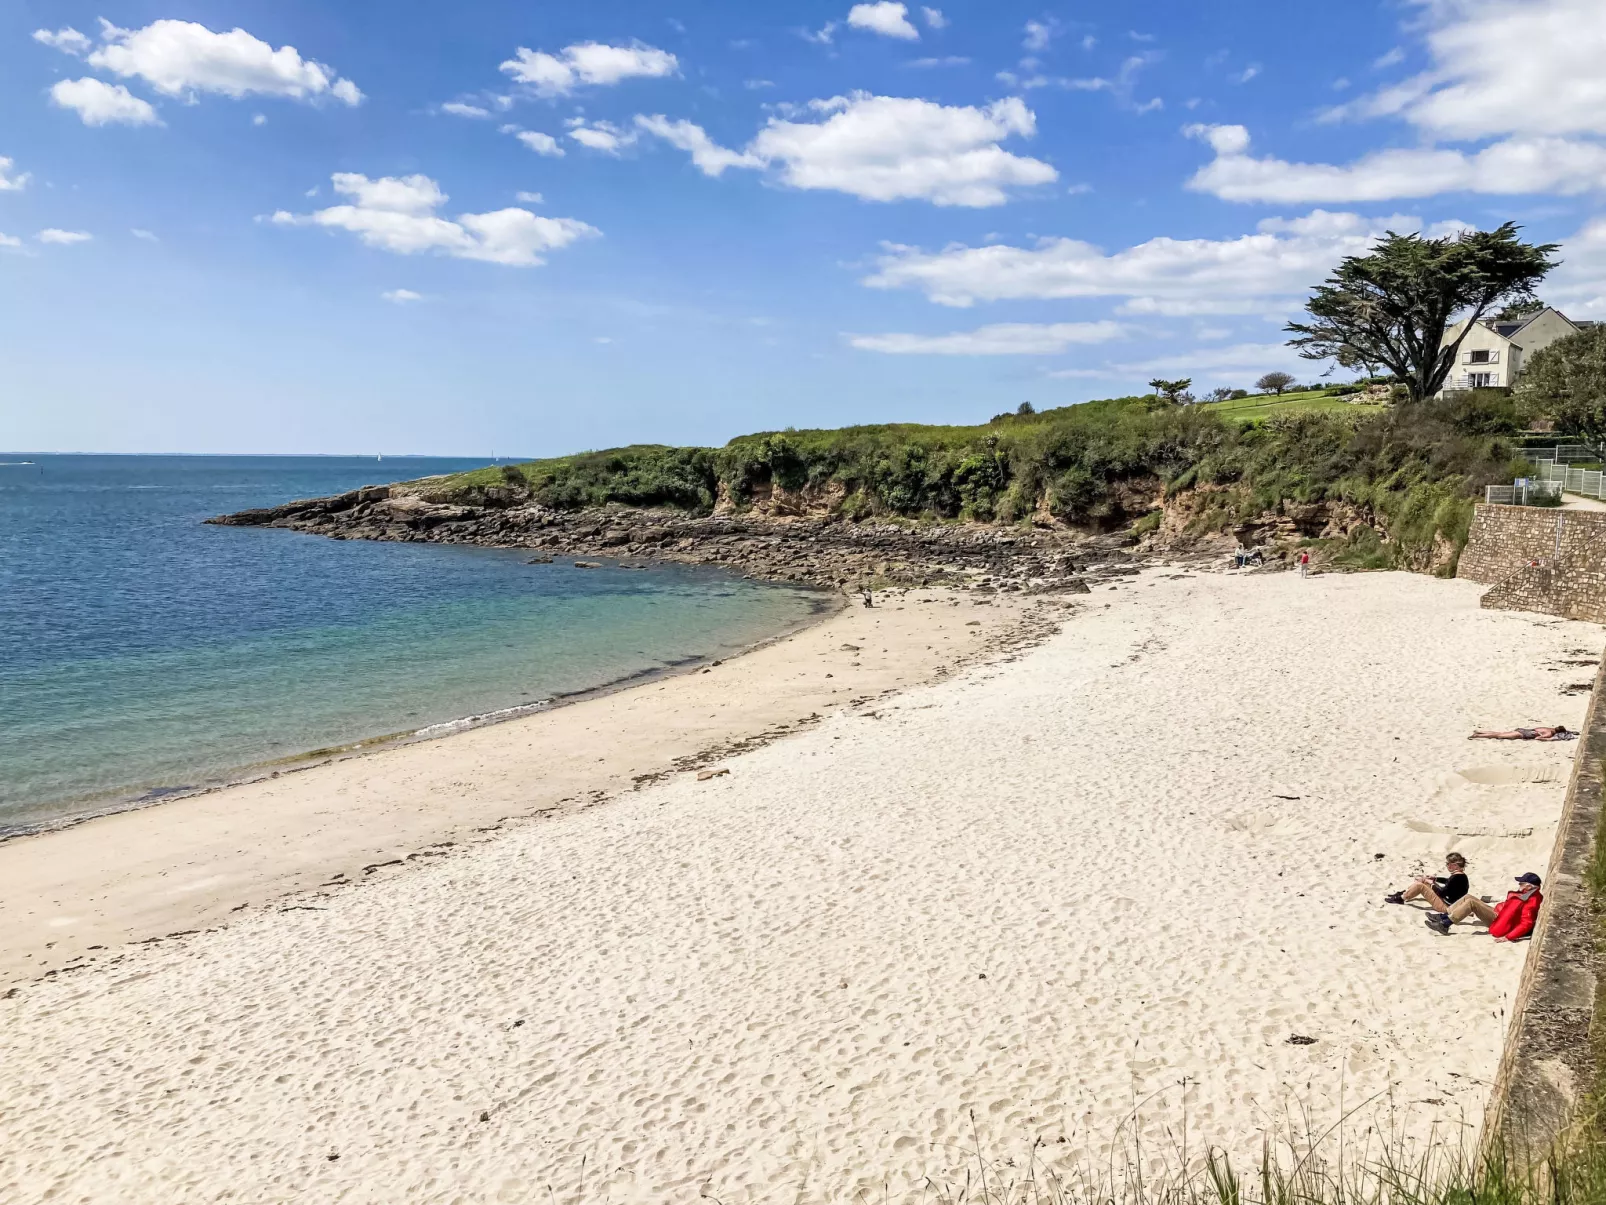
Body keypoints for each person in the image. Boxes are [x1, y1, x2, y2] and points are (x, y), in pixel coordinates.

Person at [1426, 873, 1543, 939]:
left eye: (1522, 883)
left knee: (1471, 904)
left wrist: (1508, 937)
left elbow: (1526, 923)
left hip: (1500, 920)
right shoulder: (1527, 894)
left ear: (1530, 886)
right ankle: (1444, 916)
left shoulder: (1531, 901)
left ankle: (1445, 924)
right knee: (1468, 897)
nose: (1519, 884)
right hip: (1500, 914)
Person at [1384, 853, 1468, 913]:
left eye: (1448, 863)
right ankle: (1404, 894)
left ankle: (1401, 898)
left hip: (1447, 907)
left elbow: (1442, 893)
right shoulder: (1460, 876)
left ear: (1455, 865)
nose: (1447, 865)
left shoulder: (1457, 878)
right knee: (1423, 880)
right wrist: (1435, 879)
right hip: (1449, 903)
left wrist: (1431, 884)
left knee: (1420, 886)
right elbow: (1448, 882)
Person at [1469, 725, 1576, 741]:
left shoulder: (1547, 727)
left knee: (1501, 732)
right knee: (1499, 735)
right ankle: (1477, 735)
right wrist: (1547, 739)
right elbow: (1538, 739)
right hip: (1523, 735)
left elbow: (1537, 729)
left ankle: (1480, 731)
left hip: (1523, 730)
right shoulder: (1550, 733)